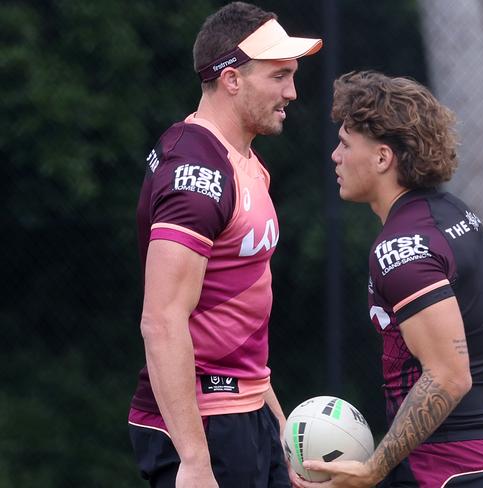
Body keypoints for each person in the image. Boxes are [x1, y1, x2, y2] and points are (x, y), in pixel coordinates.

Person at [298, 71, 483, 488]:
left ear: (383, 158)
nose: (335, 156)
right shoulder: (460, 216)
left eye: (346, 144)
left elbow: (448, 375)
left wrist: (374, 469)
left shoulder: (398, 249)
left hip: (445, 471)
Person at [127, 3, 321, 487]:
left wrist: (275, 417)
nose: (292, 92)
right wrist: (193, 459)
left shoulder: (245, 162)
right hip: (205, 423)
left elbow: (240, 310)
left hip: (245, 410)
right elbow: (161, 320)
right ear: (232, 79)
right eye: (279, 76)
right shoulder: (197, 174)